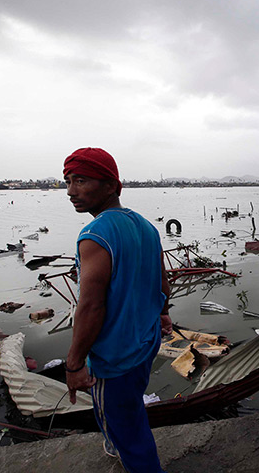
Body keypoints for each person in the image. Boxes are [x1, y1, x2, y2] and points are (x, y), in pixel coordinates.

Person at [63, 147, 171, 472]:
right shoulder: (145, 226)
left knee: (130, 434)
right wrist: (163, 313)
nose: (71, 192)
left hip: (115, 355)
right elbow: (163, 282)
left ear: (111, 185)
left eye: (81, 181)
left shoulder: (95, 235)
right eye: (67, 182)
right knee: (128, 408)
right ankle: (115, 444)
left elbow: (92, 306)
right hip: (146, 342)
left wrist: (73, 364)